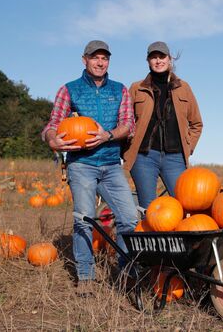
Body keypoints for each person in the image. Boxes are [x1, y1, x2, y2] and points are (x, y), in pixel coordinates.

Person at [42, 40, 139, 291]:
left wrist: (107, 135)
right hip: (81, 165)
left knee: (129, 218)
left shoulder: (119, 90)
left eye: (104, 58)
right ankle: (85, 276)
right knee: (84, 219)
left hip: (110, 164)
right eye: (94, 57)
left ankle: (125, 270)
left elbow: (129, 124)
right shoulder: (70, 90)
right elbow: (53, 125)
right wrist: (53, 139)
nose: (100, 62)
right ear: (84, 60)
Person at [122, 41, 203, 210]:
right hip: (144, 157)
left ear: (170, 59)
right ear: (148, 61)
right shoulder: (137, 88)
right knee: (149, 208)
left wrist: (188, 147)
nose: (158, 61)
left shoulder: (183, 88)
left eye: (162, 57)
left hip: (175, 157)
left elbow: (196, 123)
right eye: (153, 57)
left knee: (182, 205)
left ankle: (176, 237)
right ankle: (151, 237)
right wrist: (126, 150)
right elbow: (124, 122)